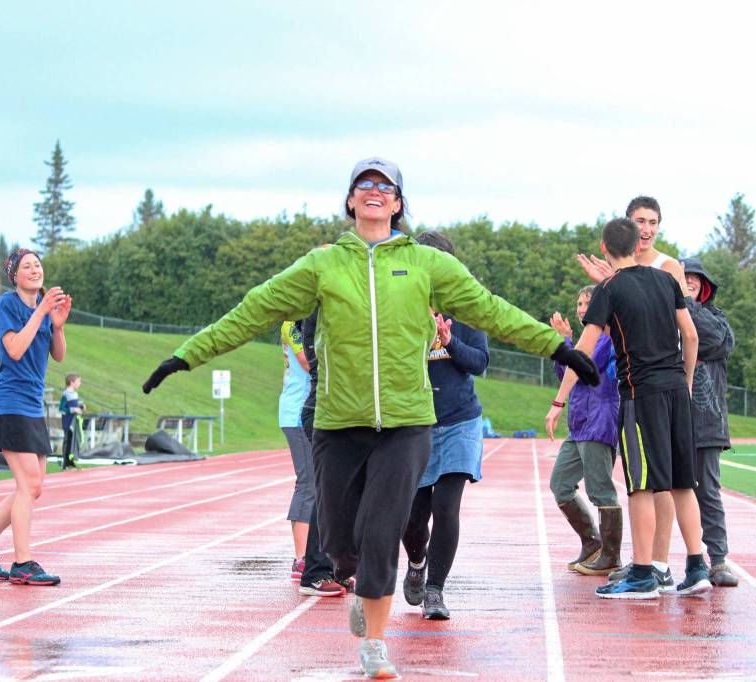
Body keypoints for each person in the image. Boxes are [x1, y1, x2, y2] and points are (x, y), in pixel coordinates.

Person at [142, 157, 598, 678]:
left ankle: (375, 645)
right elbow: (254, 310)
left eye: (386, 186)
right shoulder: (322, 266)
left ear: (398, 203)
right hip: (339, 424)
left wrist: (561, 349)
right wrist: (185, 356)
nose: (375, 191)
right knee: (340, 543)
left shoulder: (428, 265)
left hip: (407, 424)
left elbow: (493, 310)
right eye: (365, 184)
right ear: (352, 201)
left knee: (384, 531)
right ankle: (354, 577)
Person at [569, 217, 709, 600]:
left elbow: (585, 346)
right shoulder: (666, 280)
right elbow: (691, 335)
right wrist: (687, 380)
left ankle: (644, 574)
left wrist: (560, 386)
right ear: (637, 244)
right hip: (676, 390)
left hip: (640, 394)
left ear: (604, 248)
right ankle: (697, 566)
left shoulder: (609, 289)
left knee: (641, 486)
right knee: (683, 481)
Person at [0, 249, 71, 586]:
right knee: (29, 485)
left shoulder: (43, 311)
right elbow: (15, 349)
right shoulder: (6, 306)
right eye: (27, 266)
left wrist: (58, 326)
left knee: (32, 487)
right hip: (10, 403)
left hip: (32, 406)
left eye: (38, 264)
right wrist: (40, 311)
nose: (35, 270)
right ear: (15, 275)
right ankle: (22, 563)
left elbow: (59, 355)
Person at [401, 230, 489, 621]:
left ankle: (435, 590)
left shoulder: (467, 307)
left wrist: (449, 342)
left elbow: (479, 362)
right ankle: (417, 562)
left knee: (446, 506)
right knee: (413, 516)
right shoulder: (400, 306)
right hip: (416, 422)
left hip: (459, 420)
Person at [544, 285, 621, 576]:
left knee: (601, 490)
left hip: (600, 421)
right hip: (578, 426)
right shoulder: (583, 342)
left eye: (588, 303)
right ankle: (593, 544)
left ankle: (611, 556)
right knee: (560, 483)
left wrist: (568, 344)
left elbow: (588, 364)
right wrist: (564, 342)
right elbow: (566, 373)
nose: (581, 308)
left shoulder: (606, 338)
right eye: (578, 303)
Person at [680, 257, 739, 587]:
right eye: (682, 276)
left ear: (704, 286)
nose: (689, 280)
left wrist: (687, 305)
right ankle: (656, 562)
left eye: (695, 278)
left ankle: (717, 559)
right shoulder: (663, 318)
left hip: (706, 419)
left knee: (707, 492)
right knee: (661, 492)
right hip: (668, 415)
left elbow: (717, 341)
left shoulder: (714, 318)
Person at [294, 306, 350, 598]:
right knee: (329, 492)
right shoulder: (318, 318)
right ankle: (314, 573)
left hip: (338, 413)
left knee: (345, 492)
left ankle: (335, 568)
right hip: (322, 413)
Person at [278, 320, 313, 581]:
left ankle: (311, 553)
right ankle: (301, 558)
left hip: (311, 411)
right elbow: (306, 362)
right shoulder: (291, 326)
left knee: (315, 483)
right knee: (307, 482)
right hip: (296, 412)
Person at [59, 373, 84, 470]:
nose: (79, 383)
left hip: (74, 422)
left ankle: (71, 462)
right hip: (67, 422)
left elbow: (75, 406)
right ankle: (66, 464)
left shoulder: (75, 394)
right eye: (78, 381)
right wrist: (74, 410)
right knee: (67, 441)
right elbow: (61, 408)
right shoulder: (66, 394)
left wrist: (81, 407)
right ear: (71, 382)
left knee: (73, 442)